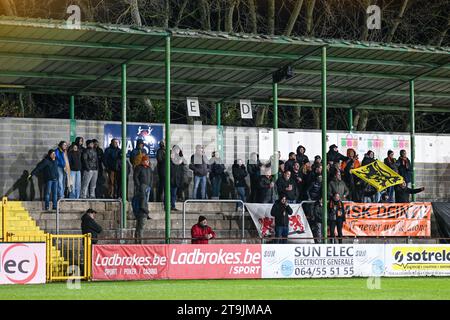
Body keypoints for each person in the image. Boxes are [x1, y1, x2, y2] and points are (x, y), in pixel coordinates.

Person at [133, 155, 152, 220]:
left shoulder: (149, 168)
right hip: (141, 186)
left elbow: (151, 177)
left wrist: (150, 185)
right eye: (146, 161)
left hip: (148, 187)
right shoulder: (138, 167)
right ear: (143, 161)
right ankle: (138, 214)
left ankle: (145, 214)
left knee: (146, 201)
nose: (147, 162)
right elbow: (135, 177)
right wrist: (138, 185)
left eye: (148, 161)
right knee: (140, 201)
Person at [170, 145, 184, 211]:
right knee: (169, 194)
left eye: (178, 150)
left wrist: (181, 179)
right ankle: (168, 205)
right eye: (176, 150)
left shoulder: (180, 160)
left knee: (174, 194)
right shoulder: (170, 158)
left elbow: (181, 171)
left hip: (176, 180)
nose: (177, 151)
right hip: (170, 179)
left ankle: (173, 206)